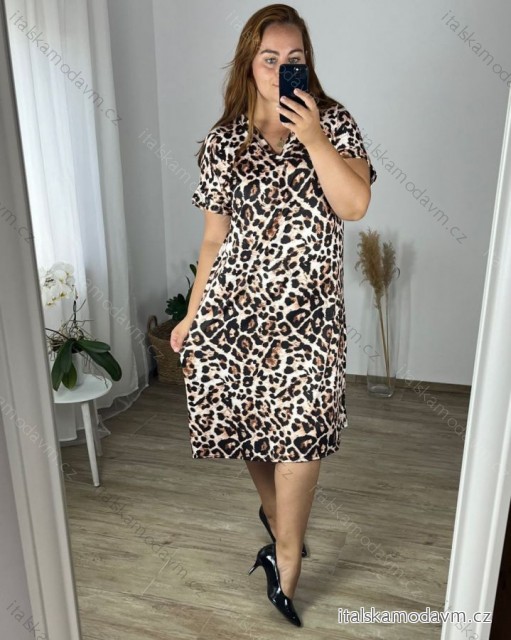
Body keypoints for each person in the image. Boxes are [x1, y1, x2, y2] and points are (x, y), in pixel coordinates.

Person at [170, 3, 377, 628]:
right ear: (248, 63)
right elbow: (214, 239)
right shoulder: (222, 142)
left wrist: (313, 138)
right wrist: (192, 314)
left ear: (306, 65)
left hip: (310, 319)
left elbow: (355, 204)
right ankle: (275, 517)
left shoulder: (334, 122)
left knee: (301, 437)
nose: (282, 69)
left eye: (294, 59)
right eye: (269, 58)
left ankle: (286, 556)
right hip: (234, 313)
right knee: (246, 426)